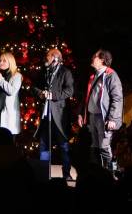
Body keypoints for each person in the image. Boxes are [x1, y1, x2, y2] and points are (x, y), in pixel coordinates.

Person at [79, 49, 123, 174]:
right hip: (93, 116)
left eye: (95, 56)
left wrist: (113, 118)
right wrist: (81, 114)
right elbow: (87, 97)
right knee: (94, 148)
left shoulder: (111, 75)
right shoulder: (94, 76)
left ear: (102, 60)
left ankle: (111, 175)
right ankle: (97, 175)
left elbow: (117, 98)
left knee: (104, 147)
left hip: (104, 118)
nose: (92, 58)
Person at [37, 48, 74, 180]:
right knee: (44, 143)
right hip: (46, 113)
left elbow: (69, 91)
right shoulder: (45, 71)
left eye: (48, 56)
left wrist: (53, 95)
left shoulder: (65, 72)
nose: (46, 58)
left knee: (63, 145)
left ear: (55, 58)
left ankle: (66, 173)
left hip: (59, 114)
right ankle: (43, 173)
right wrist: (41, 93)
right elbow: (36, 87)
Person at [0, 51, 23, 136]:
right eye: (0, 60)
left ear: (10, 62)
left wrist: (1, 80)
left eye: (4, 60)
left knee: (7, 140)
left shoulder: (17, 76)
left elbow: (11, 91)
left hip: (7, 114)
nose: (1, 63)